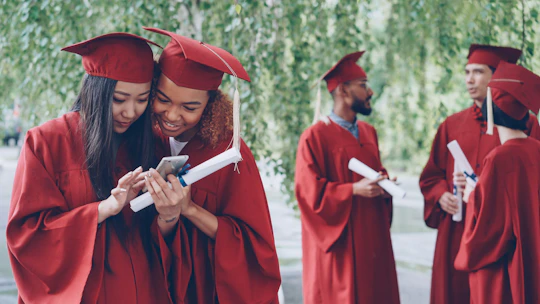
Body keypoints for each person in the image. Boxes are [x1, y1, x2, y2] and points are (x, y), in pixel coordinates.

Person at [6, 33, 184, 303]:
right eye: (119, 99)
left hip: (142, 292)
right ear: (96, 91)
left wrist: (169, 216)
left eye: (142, 99)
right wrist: (103, 210)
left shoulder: (153, 144)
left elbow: (161, 242)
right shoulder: (46, 142)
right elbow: (28, 235)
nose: (130, 111)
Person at [141, 27, 281, 303]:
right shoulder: (146, 141)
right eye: (163, 99)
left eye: (189, 108)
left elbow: (255, 249)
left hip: (210, 289)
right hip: (156, 283)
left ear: (210, 106)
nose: (171, 115)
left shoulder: (230, 155)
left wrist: (189, 209)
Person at [419, 44, 540, 304]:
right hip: (458, 230)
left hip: (504, 236)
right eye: (466, 72)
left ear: (496, 78)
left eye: (478, 72)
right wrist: (441, 195)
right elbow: (431, 176)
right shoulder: (452, 124)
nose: (469, 79)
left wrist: (480, 193)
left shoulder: (526, 124)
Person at [294, 51, 400, 303]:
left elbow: (375, 173)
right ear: (343, 90)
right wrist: (352, 190)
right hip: (339, 245)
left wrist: (385, 186)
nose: (370, 92)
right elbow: (309, 193)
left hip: (371, 238)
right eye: (363, 86)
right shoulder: (314, 137)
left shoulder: (368, 132)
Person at [454, 61, 540, 303]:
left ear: (492, 109)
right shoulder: (536, 150)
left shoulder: (498, 158)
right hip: (533, 258)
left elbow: (489, 231)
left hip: (502, 271)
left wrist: (472, 196)